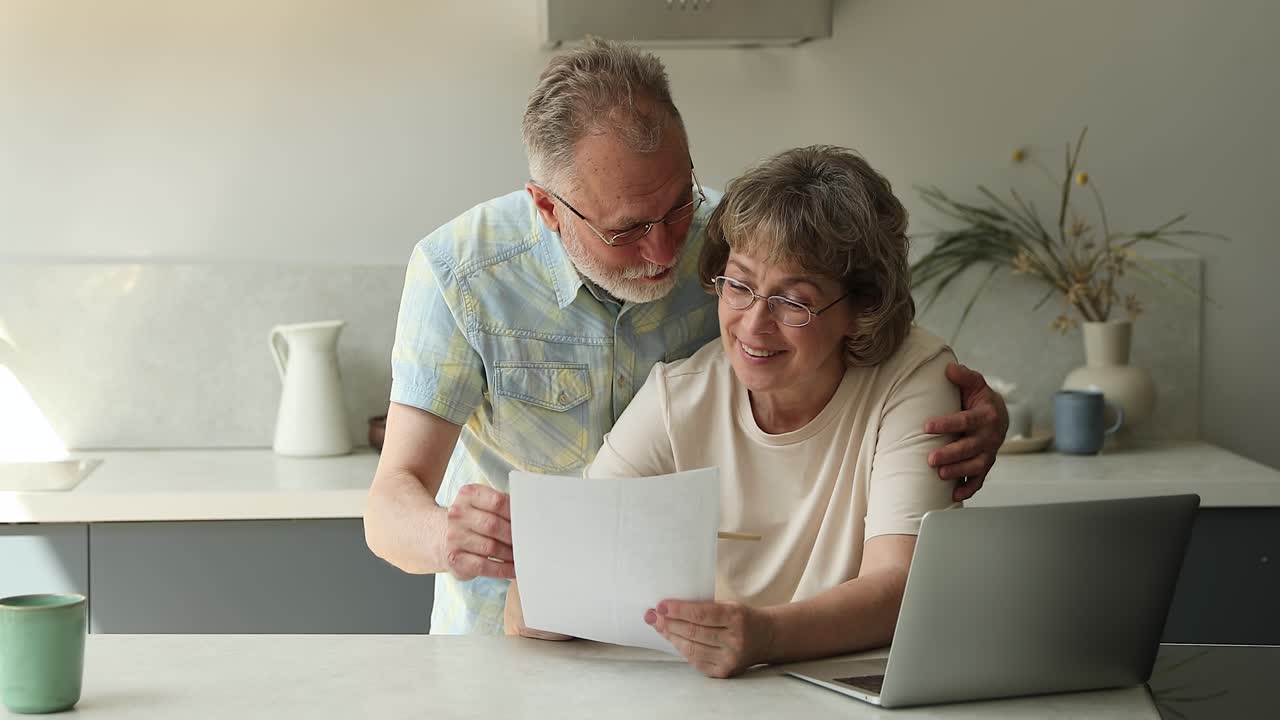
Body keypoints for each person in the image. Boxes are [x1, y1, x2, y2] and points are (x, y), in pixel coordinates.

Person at [364, 39, 1008, 636]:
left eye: (679, 204)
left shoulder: (738, 241)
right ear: (547, 207)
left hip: (695, 638)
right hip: (516, 629)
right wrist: (450, 536)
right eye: (628, 230)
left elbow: (862, 326)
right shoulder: (461, 275)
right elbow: (391, 502)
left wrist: (960, 402)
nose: (669, 246)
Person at [508, 145, 964, 677]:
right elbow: (556, 575)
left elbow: (899, 585)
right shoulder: (680, 397)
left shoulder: (914, 378)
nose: (753, 325)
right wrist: (542, 602)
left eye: (793, 301)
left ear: (862, 307)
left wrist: (767, 635)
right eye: (740, 286)